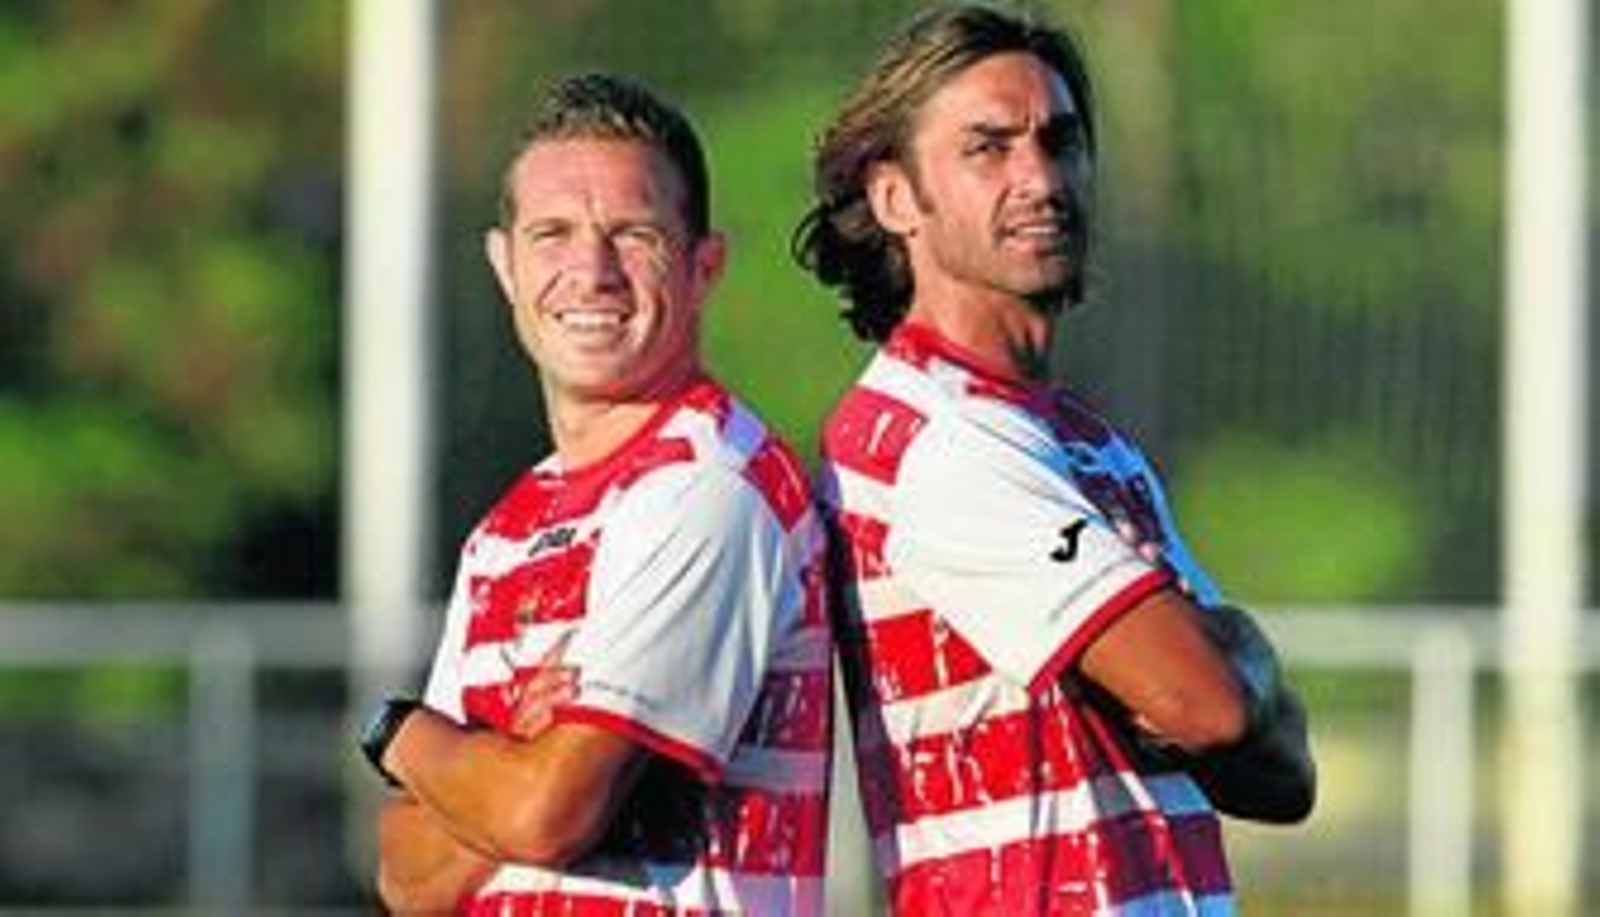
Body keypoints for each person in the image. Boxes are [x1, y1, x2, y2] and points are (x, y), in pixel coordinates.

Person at [793, 4, 1315, 914]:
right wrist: (1227, 663)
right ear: (893, 198)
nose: (1038, 176)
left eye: (1061, 141)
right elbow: (1213, 708)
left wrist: (1237, 665)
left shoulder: (1088, 443)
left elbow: (1283, 777)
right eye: (987, 147)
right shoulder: (933, 437)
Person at [359, 72, 832, 914]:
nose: (591, 270)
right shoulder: (506, 528)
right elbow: (405, 873)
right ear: (504, 267)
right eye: (552, 233)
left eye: (633, 234)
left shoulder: (708, 486)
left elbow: (546, 813)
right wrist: (509, 750)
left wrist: (403, 736)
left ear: (703, 266)